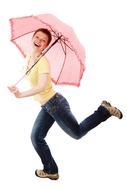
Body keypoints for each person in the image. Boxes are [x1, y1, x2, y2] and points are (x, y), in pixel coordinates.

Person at [8, 28, 123, 180]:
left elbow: (41, 87)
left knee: (77, 133)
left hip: (55, 104)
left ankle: (104, 111)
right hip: (46, 106)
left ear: (46, 46)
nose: (39, 41)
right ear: (32, 38)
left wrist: (20, 94)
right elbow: (31, 78)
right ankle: (51, 170)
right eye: (37, 37)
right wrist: (18, 87)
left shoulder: (43, 63)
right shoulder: (29, 57)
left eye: (43, 41)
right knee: (36, 137)